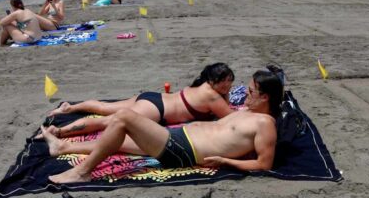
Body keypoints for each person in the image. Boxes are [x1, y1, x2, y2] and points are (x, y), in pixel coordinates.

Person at [41, 68, 284, 183]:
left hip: (184, 151)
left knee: (124, 117)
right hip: (178, 138)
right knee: (118, 141)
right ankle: (62, 147)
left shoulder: (265, 123)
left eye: (251, 91)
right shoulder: (248, 112)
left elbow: (264, 163)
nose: (246, 94)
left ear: (265, 97)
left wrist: (226, 162)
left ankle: (82, 172)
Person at [43, 63, 235, 138]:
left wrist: (224, 94)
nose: (229, 87)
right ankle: (58, 132)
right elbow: (232, 118)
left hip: (152, 98)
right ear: (213, 81)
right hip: (156, 110)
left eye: (230, 83)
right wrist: (225, 97)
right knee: (106, 122)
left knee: (104, 107)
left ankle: (69, 108)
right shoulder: (212, 96)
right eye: (226, 83)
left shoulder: (201, 85)